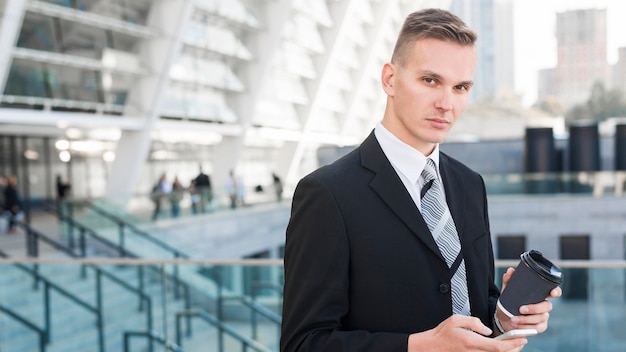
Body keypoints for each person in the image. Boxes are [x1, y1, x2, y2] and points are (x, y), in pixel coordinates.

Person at [280, 8, 561, 352]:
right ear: (390, 79)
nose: (446, 103)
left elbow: (476, 305)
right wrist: (418, 346)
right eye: (430, 81)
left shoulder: (470, 184)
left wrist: (504, 319)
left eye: (460, 87)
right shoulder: (326, 195)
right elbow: (303, 344)